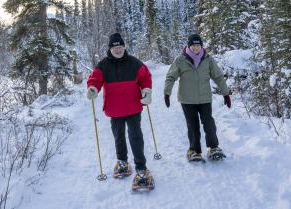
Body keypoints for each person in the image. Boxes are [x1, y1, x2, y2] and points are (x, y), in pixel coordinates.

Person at [87, 32, 153, 185]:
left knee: (135, 136)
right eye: (115, 47)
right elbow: (95, 79)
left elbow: (145, 78)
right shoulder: (103, 65)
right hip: (115, 108)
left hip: (133, 106)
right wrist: (93, 89)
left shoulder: (134, 62)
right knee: (119, 136)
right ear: (110, 49)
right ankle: (122, 162)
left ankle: (141, 168)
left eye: (120, 46)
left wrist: (147, 91)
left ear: (124, 47)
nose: (118, 50)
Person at [163, 33, 231, 161]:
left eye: (198, 45)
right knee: (192, 125)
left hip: (205, 98)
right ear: (189, 46)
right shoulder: (180, 60)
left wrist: (225, 93)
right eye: (193, 45)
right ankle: (194, 151)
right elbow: (171, 77)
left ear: (201, 46)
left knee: (209, 122)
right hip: (187, 100)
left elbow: (218, 76)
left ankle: (213, 147)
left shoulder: (208, 59)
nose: (195, 48)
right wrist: (167, 93)